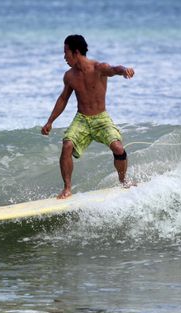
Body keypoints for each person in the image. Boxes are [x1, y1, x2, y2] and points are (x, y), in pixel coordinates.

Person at [41, 34, 135, 199]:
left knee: (119, 149)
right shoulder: (69, 76)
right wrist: (50, 121)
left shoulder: (98, 68)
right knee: (67, 144)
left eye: (66, 52)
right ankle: (67, 188)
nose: (64, 57)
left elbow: (114, 69)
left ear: (76, 52)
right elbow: (63, 98)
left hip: (101, 118)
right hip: (82, 119)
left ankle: (123, 181)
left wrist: (124, 70)